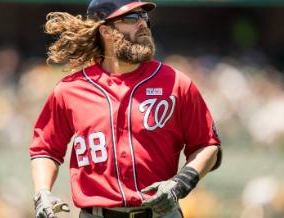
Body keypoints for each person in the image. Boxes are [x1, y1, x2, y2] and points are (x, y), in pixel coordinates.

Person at [29, 0, 222, 218]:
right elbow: (45, 149)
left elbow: (207, 145)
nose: (142, 24)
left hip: (161, 213)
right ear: (105, 31)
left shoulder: (176, 83)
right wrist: (42, 192)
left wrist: (180, 183)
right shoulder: (69, 90)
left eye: (144, 17)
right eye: (131, 18)